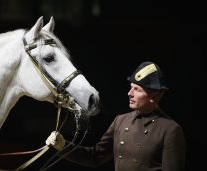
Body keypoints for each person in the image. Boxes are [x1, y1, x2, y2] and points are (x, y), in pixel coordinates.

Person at [46, 61, 186, 171]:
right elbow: (95, 157)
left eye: (136, 89)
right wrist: (63, 145)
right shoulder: (121, 121)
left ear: (154, 95)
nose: (129, 93)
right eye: (131, 87)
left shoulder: (170, 130)